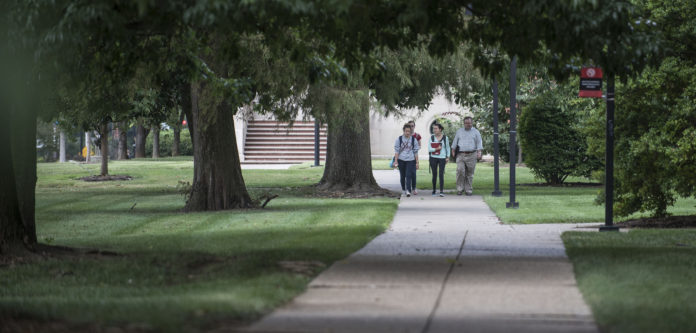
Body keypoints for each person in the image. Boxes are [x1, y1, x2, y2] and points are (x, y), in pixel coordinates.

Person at [451, 116, 483, 196]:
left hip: (472, 154)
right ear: (464, 123)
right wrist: (453, 150)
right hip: (461, 154)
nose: (468, 125)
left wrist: (479, 152)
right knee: (460, 171)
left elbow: (479, 143)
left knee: (469, 173)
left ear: (472, 123)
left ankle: (468, 190)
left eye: (470, 123)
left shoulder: (476, 132)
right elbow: (455, 142)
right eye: (467, 123)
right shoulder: (459, 131)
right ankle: (459, 189)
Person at [393, 123, 420, 197]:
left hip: (410, 160)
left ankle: (408, 190)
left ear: (411, 131)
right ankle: (403, 189)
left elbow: (415, 152)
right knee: (402, 175)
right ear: (403, 131)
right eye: (406, 131)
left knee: (408, 175)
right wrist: (396, 161)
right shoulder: (399, 139)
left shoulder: (414, 140)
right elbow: (397, 151)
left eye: (409, 131)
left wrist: (417, 162)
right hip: (401, 160)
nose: (407, 133)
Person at [428, 123, 450, 197]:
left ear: (440, 129)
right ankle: (434, 190)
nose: (434, 130)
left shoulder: (445, 138)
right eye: (433, 128)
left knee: (441, 174)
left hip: (442, 158)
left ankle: (441, 191)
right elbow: (429, 149)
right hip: (433, 157)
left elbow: (447, 148)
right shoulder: (431, 138)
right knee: (434, 174)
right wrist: (436, 149)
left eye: (436, 128)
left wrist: (448, 157)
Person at [407, 120, 422, 194]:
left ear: (414, 126)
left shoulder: (417, 136)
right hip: (405, 157)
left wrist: (414, 148)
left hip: (414, 157)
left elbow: (420, 146)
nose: (411, 127)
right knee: (407, 174)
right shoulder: (405, 135)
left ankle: (414, 188)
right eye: (409, 126)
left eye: (412, 126)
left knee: (413, 173)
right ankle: (408, 189)